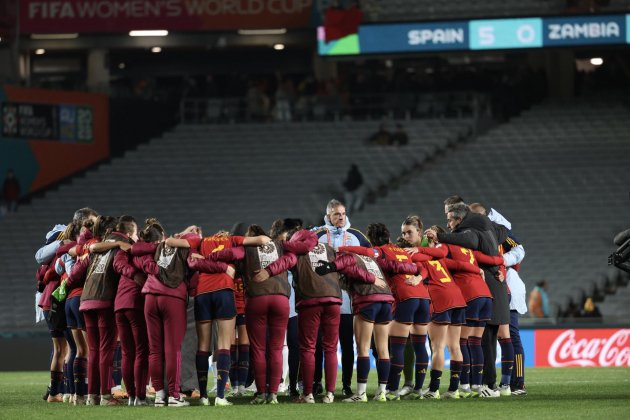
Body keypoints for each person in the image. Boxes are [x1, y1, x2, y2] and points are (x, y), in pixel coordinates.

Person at [431, 199, 512, 396]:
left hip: (474, 292)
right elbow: (503, 235)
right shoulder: (490, 230)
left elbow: (468, 247)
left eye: (450, 218)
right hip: (491, 289)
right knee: (489, 338)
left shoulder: (464, 236)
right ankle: (494, 384)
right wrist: (500, 264)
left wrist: (440, 238)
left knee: (469, 340)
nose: (449, 222)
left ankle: (471, 385)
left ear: (461, 217)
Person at [254, 228, 342, 404]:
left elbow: (285, 262)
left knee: (308, 348)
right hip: (333, 300)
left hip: (310, 301)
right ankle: (330, 394)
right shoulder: (329, 248)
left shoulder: (297, 253)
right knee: (331, 348)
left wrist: (268, 271)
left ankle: (308, 394)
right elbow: (347, 262)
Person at [183, 227, 269, 406]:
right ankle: (221, 396)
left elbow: (178, 245)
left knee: (203, 345)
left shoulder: (201, 242)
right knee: (223, 344)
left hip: (202, 292)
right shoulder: (233, 240)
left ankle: (204, 396)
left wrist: (205, 257)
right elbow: (263, 240)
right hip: (223, 289)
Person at [313, 199, 371, 397]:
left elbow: (372, 256)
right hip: (323, 295)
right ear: (328, 215)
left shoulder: (356, 236)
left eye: (343, 213)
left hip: (347, 299)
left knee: (347, 343)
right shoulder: (318, 235)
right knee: (320, 344)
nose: (341, 217)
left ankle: (346, 384)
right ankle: (317, 382)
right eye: (337, 214)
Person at [470, 202, 528, 395]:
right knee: (488, 337)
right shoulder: (475, 233)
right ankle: (488, 382)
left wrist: (501, 262)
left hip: (506, 284)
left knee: (510, 335)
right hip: (487, 285)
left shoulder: (500, 232)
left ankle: (516, 383)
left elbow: (519, 250)